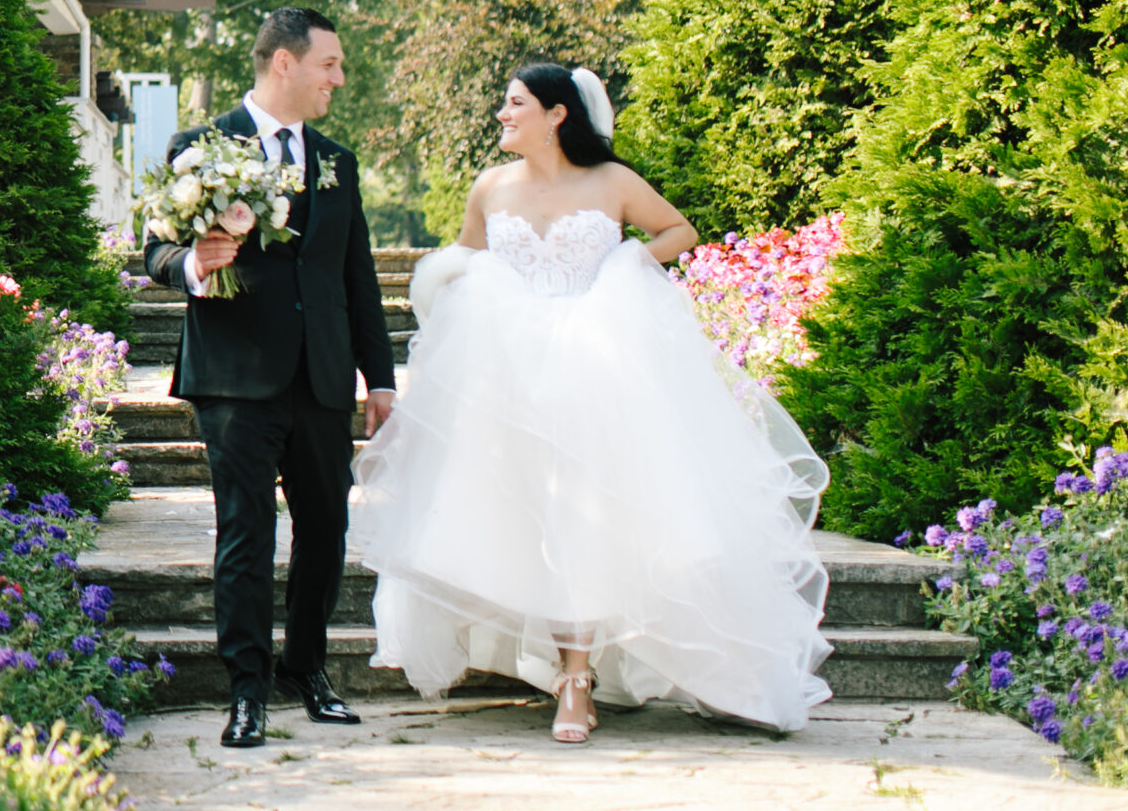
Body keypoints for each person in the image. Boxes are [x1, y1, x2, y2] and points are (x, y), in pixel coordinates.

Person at [348, 62, 832, 743]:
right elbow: (464, 261)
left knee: (591, 515)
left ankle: (578, 678)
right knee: (534, 519)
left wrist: (625, 266)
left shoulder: (611, 182)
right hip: (509, 378)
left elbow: (679, 231)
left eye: (515, 103)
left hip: (598, 370)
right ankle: (559, 666)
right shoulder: (490, 186)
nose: (502, 114)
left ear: (557, 114)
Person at [144, 8, 399, 750]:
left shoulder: (336, 160)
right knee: (247, 533)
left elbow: (356, 279)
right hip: (235, 377)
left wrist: (379, 378)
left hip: (320, 376)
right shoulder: (199, 146)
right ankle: (247, 691)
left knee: (326, 528)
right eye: (330, 64)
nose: (339, 78)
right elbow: (154, 252)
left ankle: (307, 669)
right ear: (283, 63)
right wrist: (195, 266)